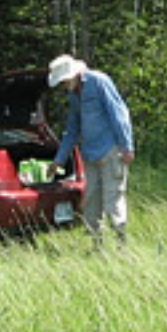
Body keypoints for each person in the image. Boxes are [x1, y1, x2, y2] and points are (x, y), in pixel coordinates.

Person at [47, 54, 135, 244]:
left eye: (64, 81)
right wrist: (58, 160)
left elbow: (119, 114)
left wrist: (127, 146)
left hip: (111, 151)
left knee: (113, 200)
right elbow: (72, 129)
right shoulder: (73, 94)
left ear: (74, 74)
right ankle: (97, 246)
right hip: (89, 154)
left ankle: (122, 245)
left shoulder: (99, 81)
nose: (63, 85)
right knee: (91, 204)